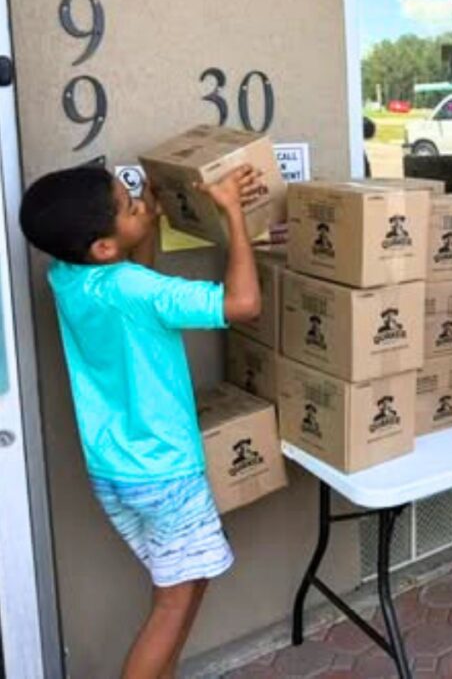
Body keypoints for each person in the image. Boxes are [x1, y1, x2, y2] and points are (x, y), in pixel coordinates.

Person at [19, 164, 263, 679]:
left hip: (115, 469)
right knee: (173, 606)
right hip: (165, 472)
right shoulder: (131, 288)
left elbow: (137, 276)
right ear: (104, 247)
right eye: (130, 206)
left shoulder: (68, 278)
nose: (140, 204)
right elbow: (242, 304)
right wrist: (233, 215)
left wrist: (142, 222)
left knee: (187, 582)